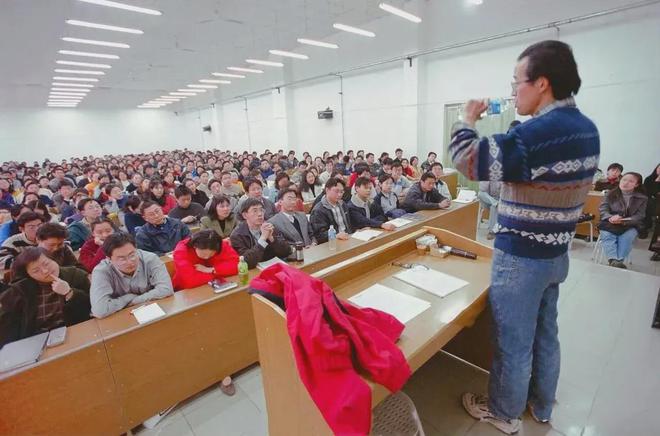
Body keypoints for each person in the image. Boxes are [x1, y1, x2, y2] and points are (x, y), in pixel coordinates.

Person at [450, 41, 599, 433]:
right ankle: (542, 405)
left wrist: (466, 118)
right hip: (557, 253)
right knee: (546, 334)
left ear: (542, 83)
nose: (514, 91)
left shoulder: (535, 135)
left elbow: (465, 159)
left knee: (512, 341)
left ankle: (504, 412)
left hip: (521, 257)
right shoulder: (588, 130)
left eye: (517, 82)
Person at [0, 247, 91, 347]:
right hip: (36, 342)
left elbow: (90, 308)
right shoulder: (19, 291)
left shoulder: (75, 275)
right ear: (29, 275)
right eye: (36, 271)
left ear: (53, 259)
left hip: (75, 334)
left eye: (46, 264)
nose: (45, 271)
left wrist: (70, 293)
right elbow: (7, 326)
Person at [90, 232, 174, 318]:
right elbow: (100, 310)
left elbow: (166, 289)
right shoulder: (101, 272)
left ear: (136, 248)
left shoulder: (150, 259)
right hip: (122, 317)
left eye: (132, 255)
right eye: (122, 259)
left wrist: (134, 300)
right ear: (109, 259)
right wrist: (128, 298)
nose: (129, 262)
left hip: (154, 309)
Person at [598, 172, 647, 268]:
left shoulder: (642, 198)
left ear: (636, 184)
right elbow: (603, 209)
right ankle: (614, 260)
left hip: (630, 224)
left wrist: (624, 220)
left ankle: (617, 261)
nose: (626, 183)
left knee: (627, 237)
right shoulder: (609, 194)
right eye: (624, 180)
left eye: (631, 181)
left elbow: (640, 216)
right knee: (608, 235)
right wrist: (610, 217)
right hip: (609, 222)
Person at [230, 198, 290, 269]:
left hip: (273, 266)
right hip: (253, 271)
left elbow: (286, 252)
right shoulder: (237, 235)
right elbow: (245, 261)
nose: (260, 214)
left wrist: (272, 239)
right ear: (245, 215)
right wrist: (263, 239)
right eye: (255, 211)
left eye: (261, 210)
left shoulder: (269, 226)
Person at [172, 230, 239, 290]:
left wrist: (211, 270)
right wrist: (218, 273)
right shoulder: (181, 251)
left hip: (214, 285)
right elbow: (190, 281)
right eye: (203, 254)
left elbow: (237, 265)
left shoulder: (218, 244)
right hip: (185, 291)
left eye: (211, 254)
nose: (206, 257)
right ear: (195, 246)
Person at [310, 178, 353, 243]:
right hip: (332, 242)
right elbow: (319, 235)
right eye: (336, 191)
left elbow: (349, 225)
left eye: (341, 192)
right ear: (327, 190)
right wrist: (336, 235)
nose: (339, 194)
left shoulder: (343, 204)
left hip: (348, 238)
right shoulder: (318, 210)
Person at [642, 163, 660, 239]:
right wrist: (657, 180)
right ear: (656, 169)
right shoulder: (649, 179)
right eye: (659, 168)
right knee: (647, 202)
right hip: (650, 201)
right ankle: (645, 227)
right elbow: (647, 193)